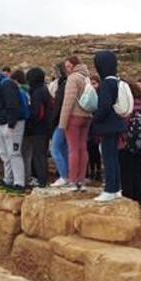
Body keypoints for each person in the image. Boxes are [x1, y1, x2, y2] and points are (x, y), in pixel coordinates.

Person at [0, 62, 26, 195]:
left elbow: (12, 104)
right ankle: (8, 179)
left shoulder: (6, 83)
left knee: (14, 153)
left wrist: (11, 124)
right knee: (4, 154)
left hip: (11, 124)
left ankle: (19, 182)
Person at [91, 51, 126, 202]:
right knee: (114, 158)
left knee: (108, 157)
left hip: (108, 126)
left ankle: (110, 189)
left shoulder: (106, 83)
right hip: (117, 124)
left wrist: (94, 118)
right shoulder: (117, 81)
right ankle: (117, 188)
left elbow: (104, 107)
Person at [59, 56, 92, 191]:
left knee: (73, 149)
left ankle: (72, 181)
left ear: (73, 65)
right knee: (83, 148)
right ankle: (81, 180)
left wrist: (62, 123)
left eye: (68, 66)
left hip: (74, 116)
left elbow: (68, 101)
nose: (67, 69)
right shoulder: (86, 77)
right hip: (87, 116)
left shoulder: (73, 78)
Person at [120, 81, 141, 203]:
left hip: (128, 145)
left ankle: (129, 197)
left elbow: (123, 125)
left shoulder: (127, 106)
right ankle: (140, 196)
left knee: (126, 172)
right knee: (139, 171)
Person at [23, 67, 52, 187]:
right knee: (41, 154)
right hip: (45, 127)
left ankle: (42, 181)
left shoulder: (37, 92)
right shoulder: (44, 89)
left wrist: (29, 123)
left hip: (38, 129)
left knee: (38, 155)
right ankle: (41, 179)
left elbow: (37, 113)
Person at [48, 62, 70, 187]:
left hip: (61, 121)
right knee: (64, 148)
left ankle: (64, 175)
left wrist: (53, 121)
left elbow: (59, 105)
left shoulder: (63, 84)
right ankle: (68, 175)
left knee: (55, 149)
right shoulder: (64, 83)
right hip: (66, 120)